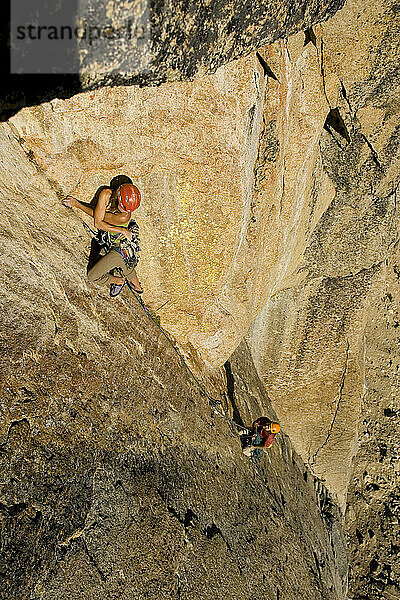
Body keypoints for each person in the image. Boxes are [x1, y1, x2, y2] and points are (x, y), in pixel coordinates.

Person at [63, 179, 143, 297]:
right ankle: (138, 287)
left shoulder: (124, 217)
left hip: (120, 246)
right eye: (124, 208)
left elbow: (98, 222)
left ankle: (118, 281)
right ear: (117, 196)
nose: (127, 212)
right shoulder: (106, 193)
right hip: (122, 245)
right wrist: (122, 230)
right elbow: (99, 217)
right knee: (126, 264)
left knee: (93, 276)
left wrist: (77, 204)